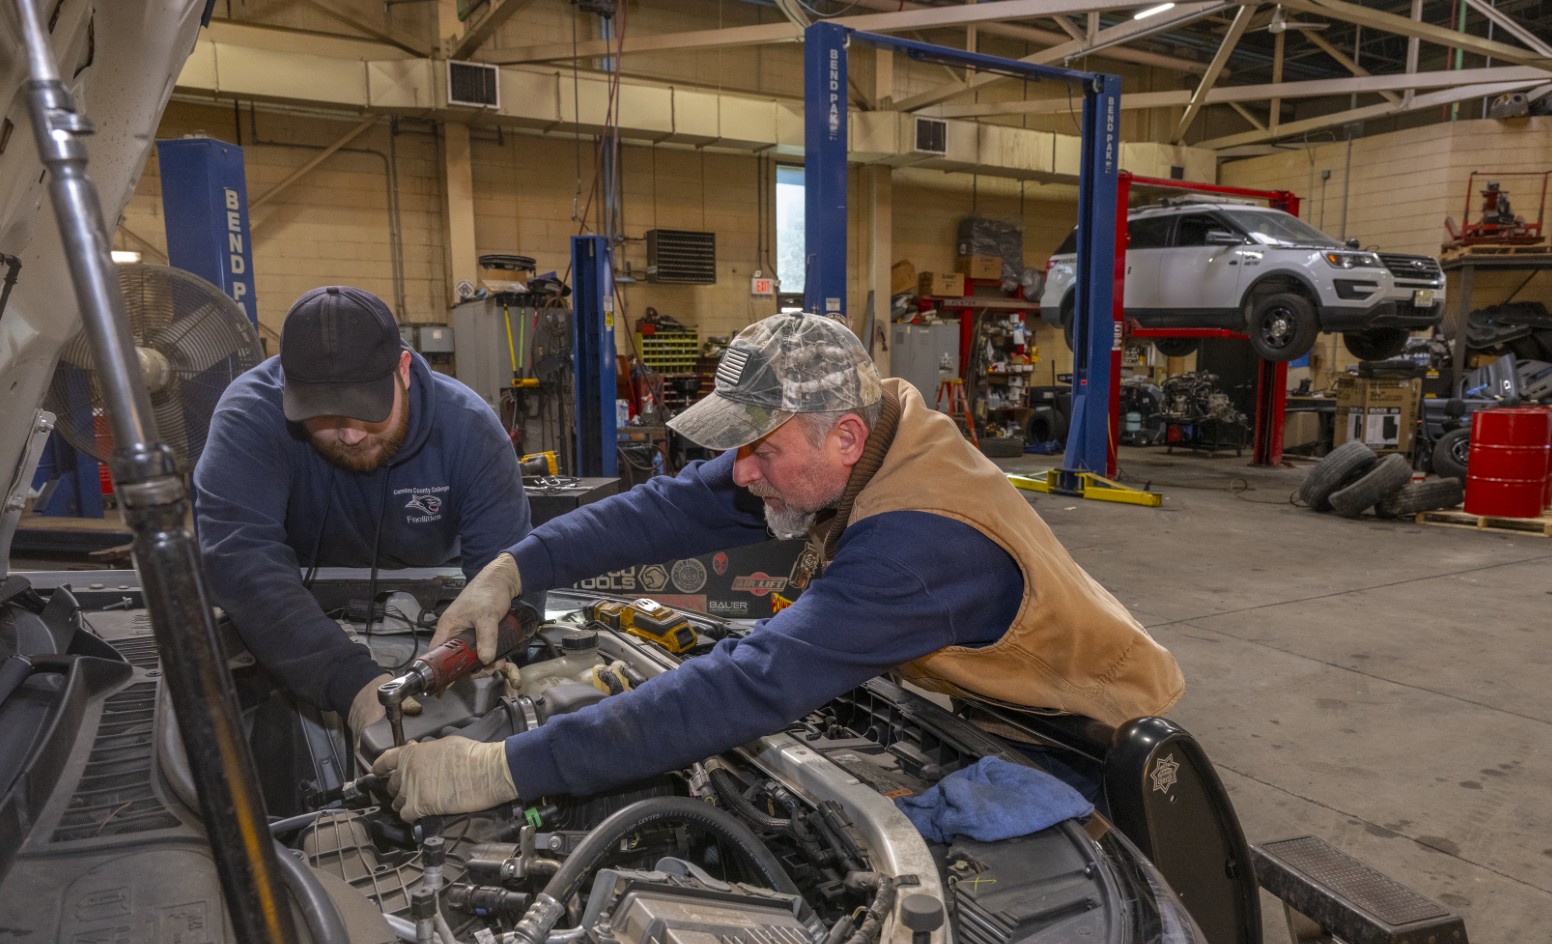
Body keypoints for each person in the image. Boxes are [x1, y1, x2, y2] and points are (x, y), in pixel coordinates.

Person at [373, 312, 1183, 820]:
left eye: (761, 450)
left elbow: (751, 683)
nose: (742, 471)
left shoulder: (922, 546)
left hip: (1082, 743)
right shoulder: (859, 422)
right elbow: (669, 505)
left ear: (844, 442)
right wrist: (515, 568)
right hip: (976, 703)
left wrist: (502, 769)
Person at [194, 285, 531, 737]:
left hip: (440, 613)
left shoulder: (470, 431)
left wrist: (474, 653)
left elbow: (505, 573)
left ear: (404, 370)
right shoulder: (250, 416)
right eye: (324, 417)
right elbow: (241, 561)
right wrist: (352, 686)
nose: (350, 437)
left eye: (366, 411)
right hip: (295, 625)